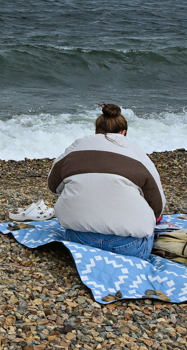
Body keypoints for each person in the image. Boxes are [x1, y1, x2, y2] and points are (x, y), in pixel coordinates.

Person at [45, 103, 165, 260]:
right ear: (123, 132)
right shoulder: (137, 153)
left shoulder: (76, 147)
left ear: (96, 131)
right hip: (128, 246)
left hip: (78, 239)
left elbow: (53, 185)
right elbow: (157, 205)